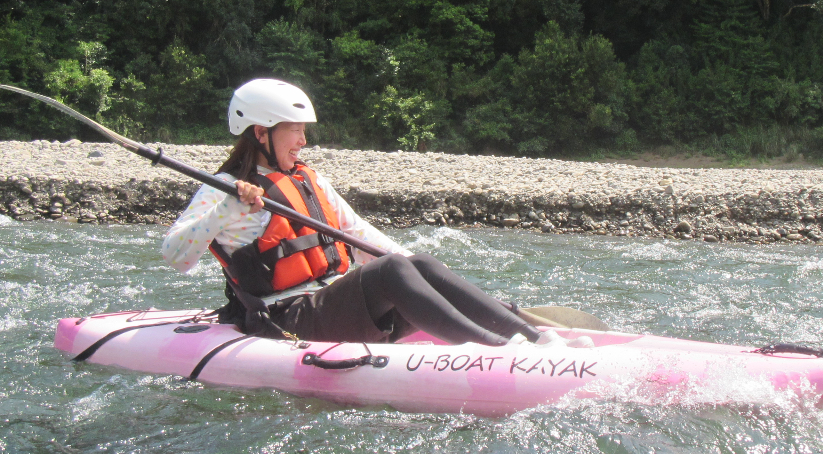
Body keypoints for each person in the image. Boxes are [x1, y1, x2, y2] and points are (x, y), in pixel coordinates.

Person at [162, 78, 573, 347]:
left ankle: (532, 338)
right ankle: (499, 350)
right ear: (261, 133)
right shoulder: (224, 190)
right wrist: (226, 208)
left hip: (331, 302)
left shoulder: (307, 180)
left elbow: (357, 233)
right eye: (296, 129)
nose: (304, 140)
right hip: (286, 318)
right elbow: (175, 256)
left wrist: (424, 275)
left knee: (417, 263)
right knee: (393, 271)